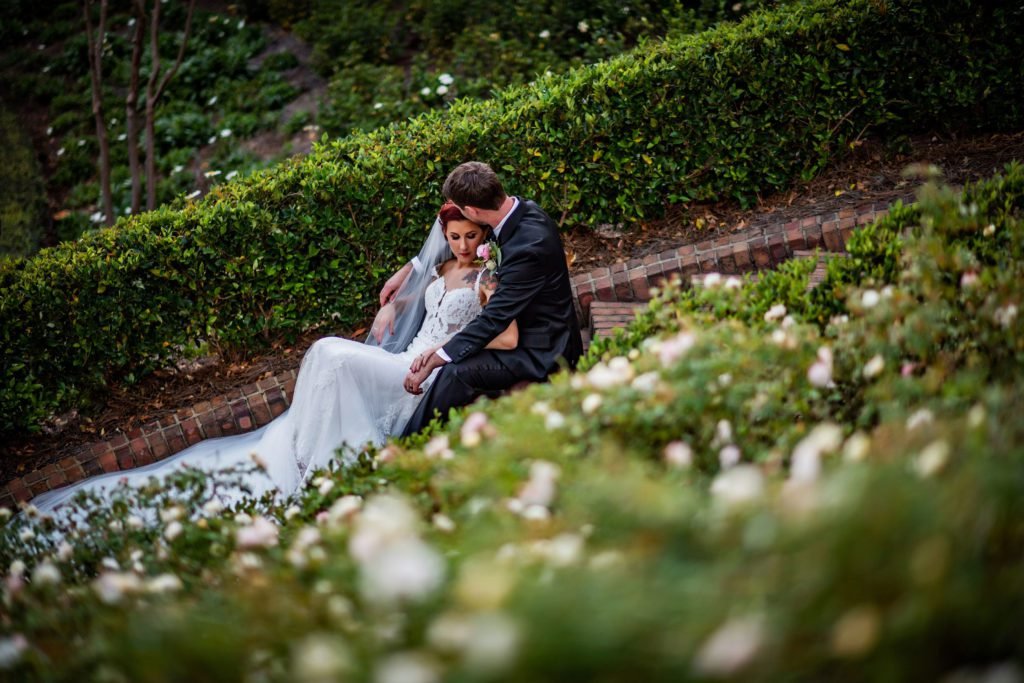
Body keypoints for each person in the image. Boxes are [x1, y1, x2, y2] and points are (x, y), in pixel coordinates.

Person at [30, 202, 516, 513]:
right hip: (405, 356)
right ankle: (309, 457)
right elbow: (414, 296)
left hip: (423, 370)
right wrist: (391, 305)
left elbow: (508, 338)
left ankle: (331, 463)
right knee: (325, 353)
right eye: (455, 236)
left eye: (472, 236)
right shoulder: (443, 266)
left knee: (331, 352)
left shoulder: (485, 279)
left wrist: (446, 348)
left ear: (484, 235)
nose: (464, 245)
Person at [393, 161, 583, 436]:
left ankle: (409, 444)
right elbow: (451, 235)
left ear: (472, 211)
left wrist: (437, 357)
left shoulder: (528, 248)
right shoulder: (520, 210)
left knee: (455, 371)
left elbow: (495, 319)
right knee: (456, 357)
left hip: (542, 349)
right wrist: (411, 269)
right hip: (522, 329)